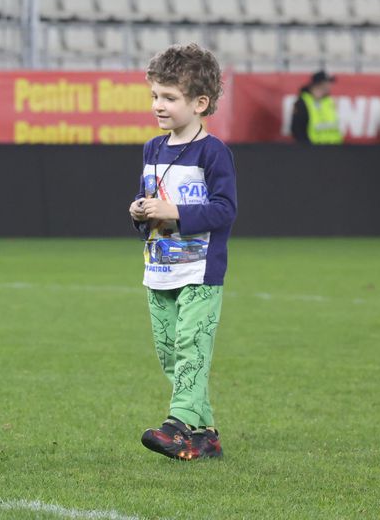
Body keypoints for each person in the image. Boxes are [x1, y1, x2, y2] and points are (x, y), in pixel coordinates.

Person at [129, 43, 237, 461]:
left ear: (200, 103)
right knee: (170, 353)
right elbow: (149, 201)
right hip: (159, 269)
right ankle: (205, 435)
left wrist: (172, 211)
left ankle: (176, 426)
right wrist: (139, 211)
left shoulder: (214, 153)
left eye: (170, 98)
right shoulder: (152, 149)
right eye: (155, 95)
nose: (159, 105)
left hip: (200, 271)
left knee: (192, 344)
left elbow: (225, 210)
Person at [290, 70, 342, 145]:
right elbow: (297, 130)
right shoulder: (302, 103)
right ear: (319, 84)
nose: (330, 85)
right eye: (328, 82)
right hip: (314, 151)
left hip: (334, 149)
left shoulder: (330, 101)